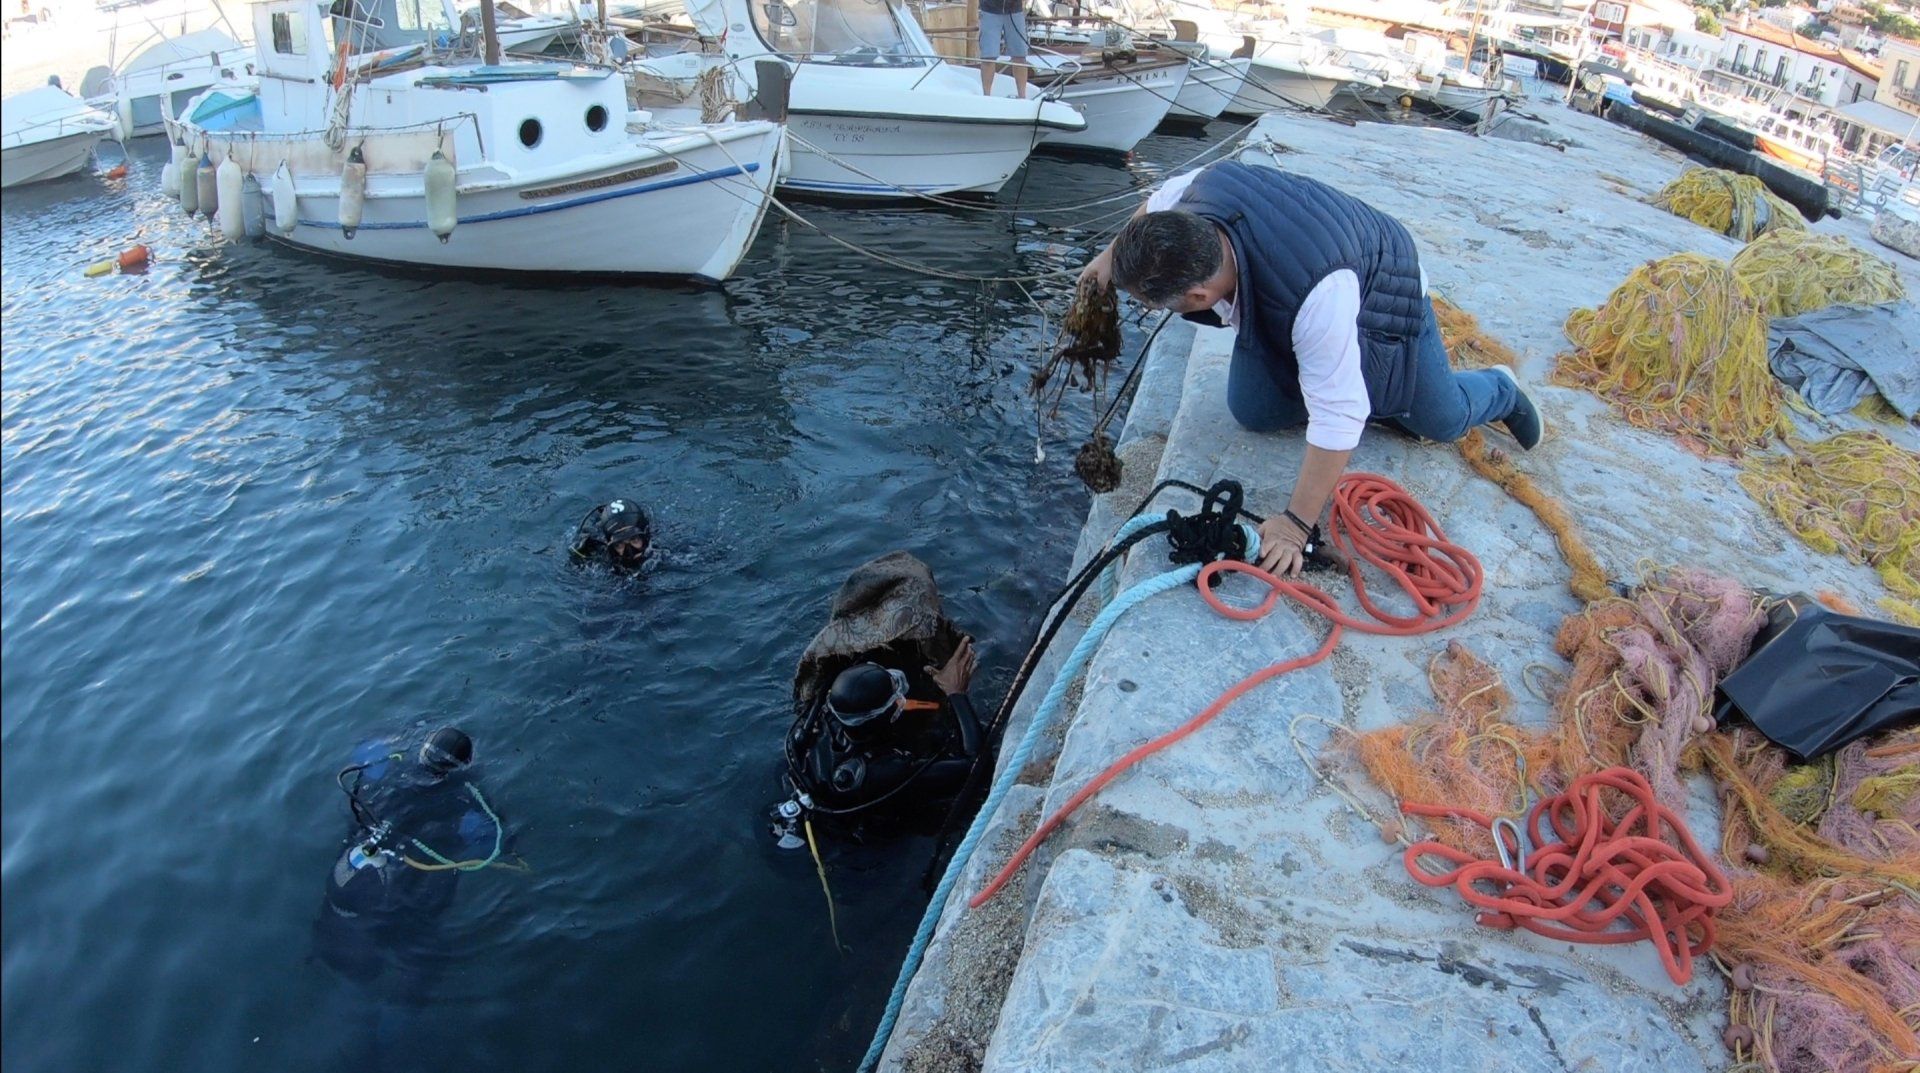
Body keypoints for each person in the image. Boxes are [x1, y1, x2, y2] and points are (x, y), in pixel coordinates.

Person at [1080, 159, 1546, 579]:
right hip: (1300, 282)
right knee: (1253, 410)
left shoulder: (1316, 300)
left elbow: (1340, 415)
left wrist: (1296, 523)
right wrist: (1107, 261)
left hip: (1381, 286)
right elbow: (1151, 207)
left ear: (1199, 298)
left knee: (1439, 419)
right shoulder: (1195, 197)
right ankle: (1355, 381)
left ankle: (1499, 388)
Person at [313, 727, 504, 992]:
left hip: (352, 895)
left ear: (422, 752)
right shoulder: (464, 803)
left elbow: (366, 748)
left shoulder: (387, 770)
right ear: (466, 764)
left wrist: (395, 741)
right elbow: (491, 843)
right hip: (404, 901)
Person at [783, 638, 982, 826]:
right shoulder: (884, 772)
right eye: (897, 702)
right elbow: (976, 767)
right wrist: (956, 693)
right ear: (889, 716)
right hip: (866, 841)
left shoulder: (816, 727)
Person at [570, 499, 651, 571]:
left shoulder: (657, 551)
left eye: (635, 539)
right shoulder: (606, 562)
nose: (630, 552)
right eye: (619, 544)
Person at [978, 0, 1030, 97]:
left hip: (1015, 11)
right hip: (989, 10)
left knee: (1020, 56)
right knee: (988, 57)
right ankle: (986, 97)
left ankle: (1023, 97)